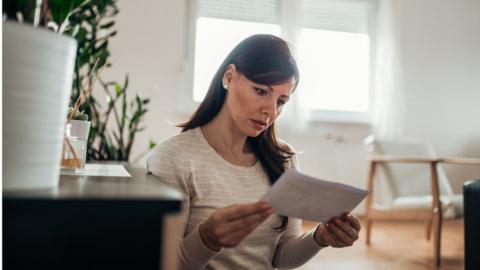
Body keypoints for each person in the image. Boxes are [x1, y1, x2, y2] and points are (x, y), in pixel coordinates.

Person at [147, 34, 361, 270]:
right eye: (260, 91)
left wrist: (320, 237)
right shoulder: (174, 157)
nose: (270, 110)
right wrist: (207, 238)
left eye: (281, 101)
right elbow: (166, 264)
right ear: (229, 77)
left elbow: (282, 258)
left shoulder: (283, 159)